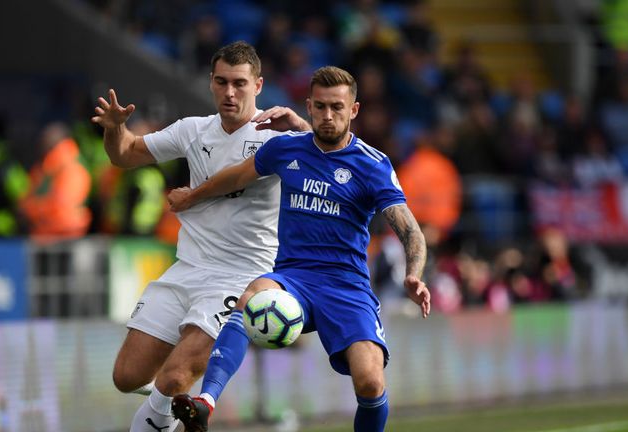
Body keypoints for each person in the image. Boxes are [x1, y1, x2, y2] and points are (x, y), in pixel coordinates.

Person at [167, 66, 431, 432]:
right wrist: (192, 195)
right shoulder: (285, 148)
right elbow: (238, 176)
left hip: (346, 286)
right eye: (320, 107)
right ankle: (205, 403)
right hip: (294, 277)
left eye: (337, 107)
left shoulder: (373, 165)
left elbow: (410, 230)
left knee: (370, 382)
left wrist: (414, 275)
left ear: (354, 110)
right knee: (252, 296)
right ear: (308, 106)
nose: (328, 115)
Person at [90, 41, 310, 432]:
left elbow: (333, 155)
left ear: (258, 85)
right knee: (126, 376)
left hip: (241, 276)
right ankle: (174, 394)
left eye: (240, 83)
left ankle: (177, 393)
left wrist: (304, 128)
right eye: (222, 82)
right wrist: (114, 129)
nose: (230, 92)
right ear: (210, 82)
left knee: (173, 379)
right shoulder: (193, 130)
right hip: (186, 269)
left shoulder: (277, 138)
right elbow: (124, 154)